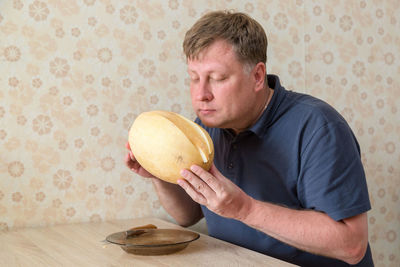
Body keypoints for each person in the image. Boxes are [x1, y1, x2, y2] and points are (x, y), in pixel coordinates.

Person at [125, 10, 374, 267]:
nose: (201, 94)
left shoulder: (318, 127)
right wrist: (158, 174)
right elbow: (188, 215)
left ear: (257, 76)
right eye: (194, 78)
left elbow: (352, 245)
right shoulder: (205, 129)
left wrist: (245, 209)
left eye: (217, 78)